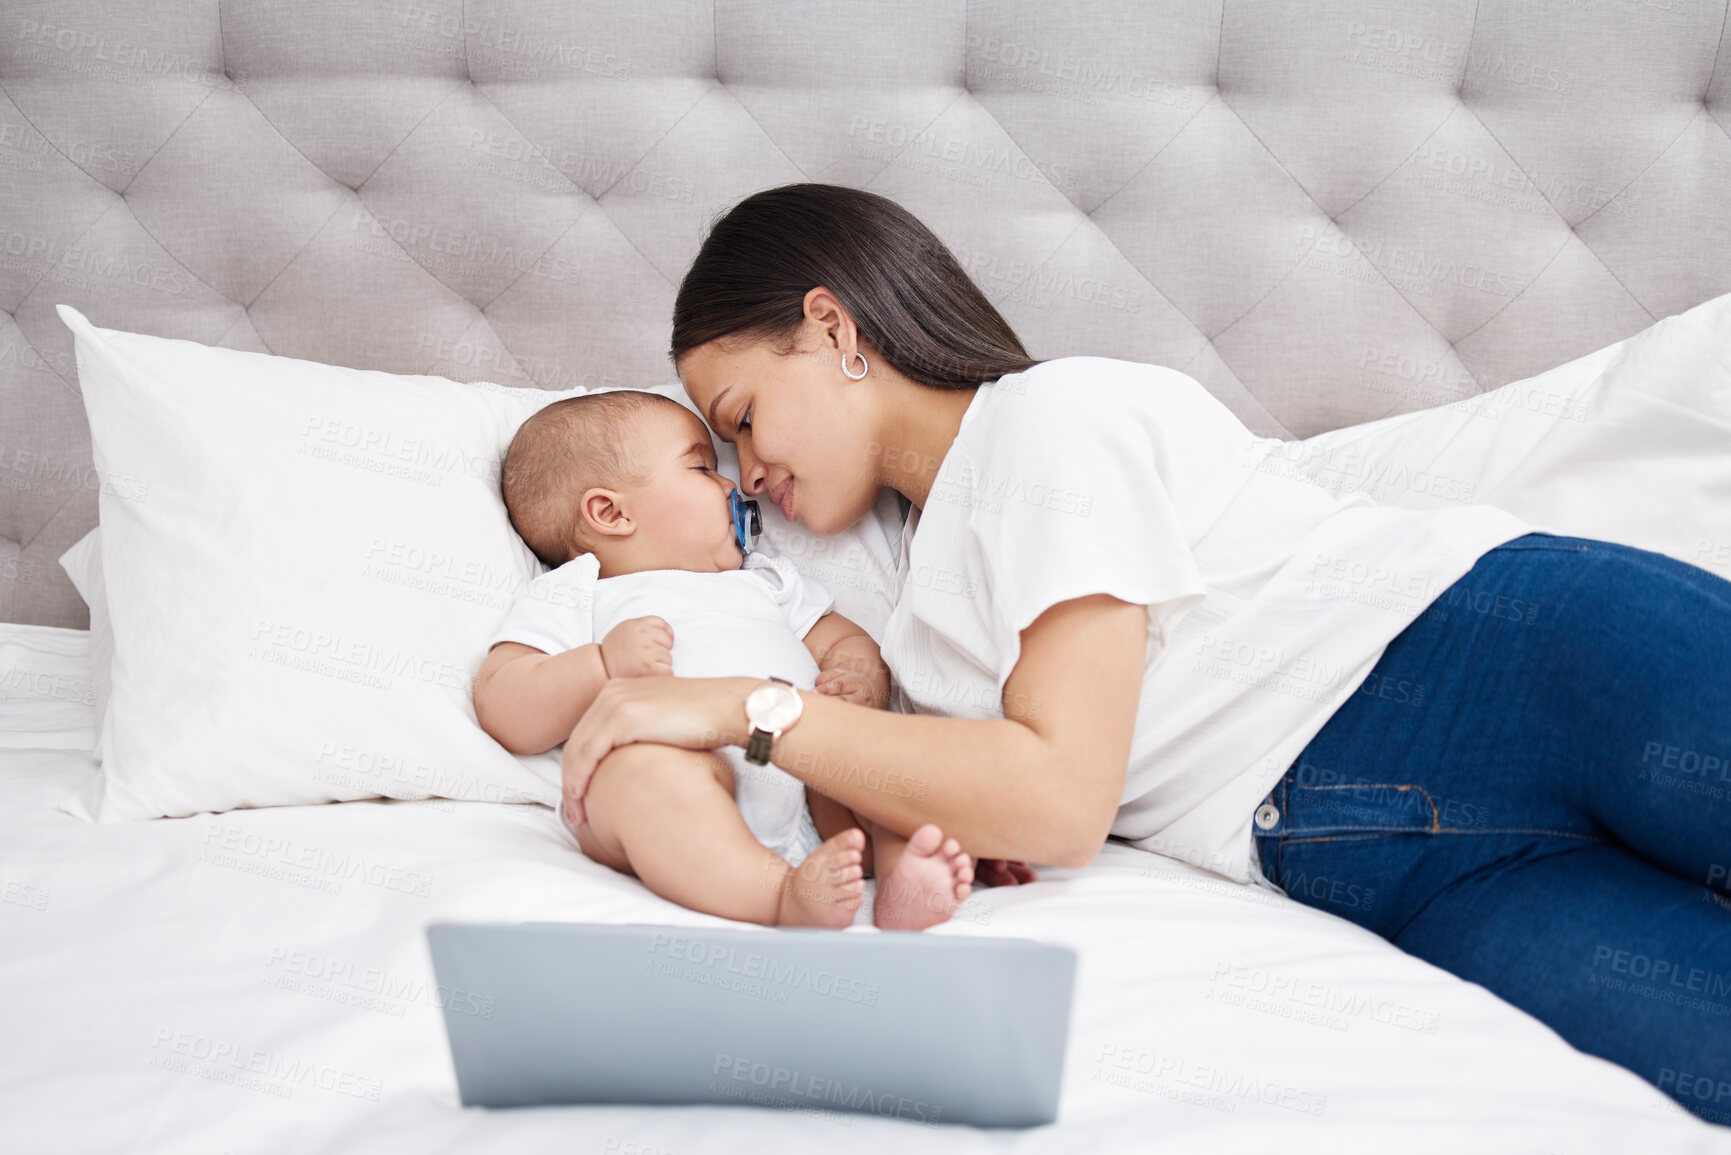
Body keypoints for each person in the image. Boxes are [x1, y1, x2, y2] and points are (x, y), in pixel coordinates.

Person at [551, 182, 1730, 1125]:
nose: (747, 472)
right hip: (1370, 857)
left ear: (830, 326)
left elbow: (1061, 797)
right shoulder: (918, 609)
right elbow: (948, 801)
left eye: (744, 417)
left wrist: (742, 705)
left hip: (1505, 663)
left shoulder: (1049, 421)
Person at [473, 387, 974, 929]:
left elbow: (840, 640)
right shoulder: (580, 590)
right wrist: (600, 665)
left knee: (877, 760)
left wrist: (855, 678)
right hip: (675, 772)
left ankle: (905, 876)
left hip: (799, 768)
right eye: (702, 469)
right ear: (610, 512)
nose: (732, 484)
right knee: (644, 776)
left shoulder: (763, 578)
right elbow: (503, 700)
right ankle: (779, 896)